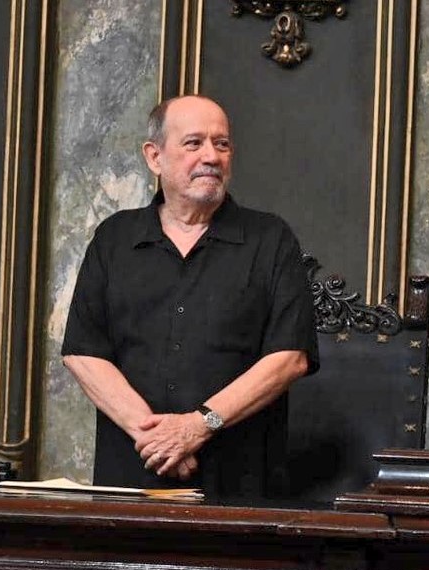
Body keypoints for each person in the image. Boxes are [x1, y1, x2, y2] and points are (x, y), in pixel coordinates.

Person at [62, 95, 319, 496]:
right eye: (194, 143)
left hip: (240, 487)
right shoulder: (114, 239)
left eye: (222, 144)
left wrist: (197, 426)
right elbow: (83, 351)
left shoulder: (270, 240)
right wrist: (156, 438)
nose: (212, 156)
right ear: (154, 157)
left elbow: (290, 358)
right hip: (130, 481)